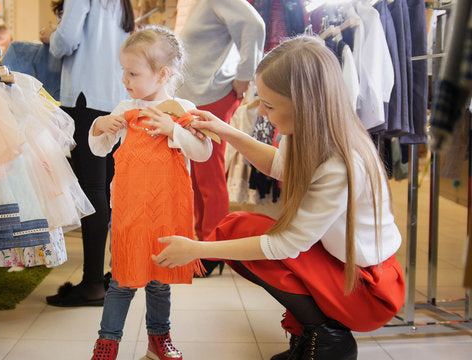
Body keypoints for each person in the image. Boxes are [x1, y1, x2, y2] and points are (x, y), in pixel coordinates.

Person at [152, 36, 405, 360]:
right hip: (345, 266)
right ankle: (313, 329)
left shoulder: (340, 164)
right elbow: (278, 165)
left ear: (303, 105)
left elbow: (285, 245)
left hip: (368, 289)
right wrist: (225, 130)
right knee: (236, 228)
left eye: (269, 105)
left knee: (242, 234)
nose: (260, 111)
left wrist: (197, 249)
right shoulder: (311, 133)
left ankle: (328, 339)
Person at [88, 26, 212, 360]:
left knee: (159, 280)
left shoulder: (181, 107)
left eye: (133, 73)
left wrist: (175, 130)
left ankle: (159, 339)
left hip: (166, 210)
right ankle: (107, 342)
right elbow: (100, 149)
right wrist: (99, 127)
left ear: (163, 74)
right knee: (122, 278)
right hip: (129, 209)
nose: (125, 79)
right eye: (123, 72)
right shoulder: (124, 107)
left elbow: (203, 152)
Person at [41, 0, 135, 307]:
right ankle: (109, 275)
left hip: (85, 97)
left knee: (92, 191)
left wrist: (49, 36)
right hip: (114, 98)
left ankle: (94, 283)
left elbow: (65, 41)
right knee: (106, 191)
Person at [176, 0, 266, 276]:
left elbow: (255, 24)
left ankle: (213, 252)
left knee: (209, 177)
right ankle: (203, 247)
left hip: (211, 97)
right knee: (197, 177)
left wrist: (246, 75)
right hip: (197, 98)